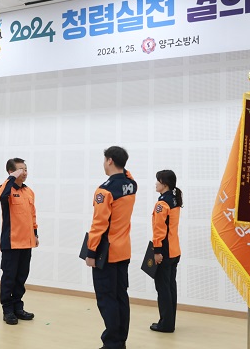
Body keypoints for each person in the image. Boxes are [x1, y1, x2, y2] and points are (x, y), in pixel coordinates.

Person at [85, 146, 137, 349]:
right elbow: (128, 175)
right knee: (121, 296)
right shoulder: (131, 185)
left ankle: (113, 343)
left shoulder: (104, 191)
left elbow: (99, 225)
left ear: (109, 161)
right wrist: (123, 168)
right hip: (124, 251)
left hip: (106, 253)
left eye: (105, 160)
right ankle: (120, 340)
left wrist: (91, 252)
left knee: (107, 299)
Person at [0, 158, 39, 325]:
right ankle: (7, 310)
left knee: (21, 277)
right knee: (9, 277)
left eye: (25, 169)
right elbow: (1, 196)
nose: (24, 172)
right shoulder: (5, 189)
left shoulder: (29, 192)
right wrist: (11, 178)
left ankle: (18, 308)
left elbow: (32, 215)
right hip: (11, 242)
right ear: (11, 172)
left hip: (27, 242)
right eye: (20, 169)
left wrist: (35, 234)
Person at [149, 170, 182, 333]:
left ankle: (165, 325)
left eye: (158, 181)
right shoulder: (174, 199)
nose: (156, 183)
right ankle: (169, 322)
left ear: (165, 184)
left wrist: (157, 251)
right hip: (175, 250)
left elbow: (159, 230)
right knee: (170, 288)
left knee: (163, 289)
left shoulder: (162, 204)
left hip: (164, 252)